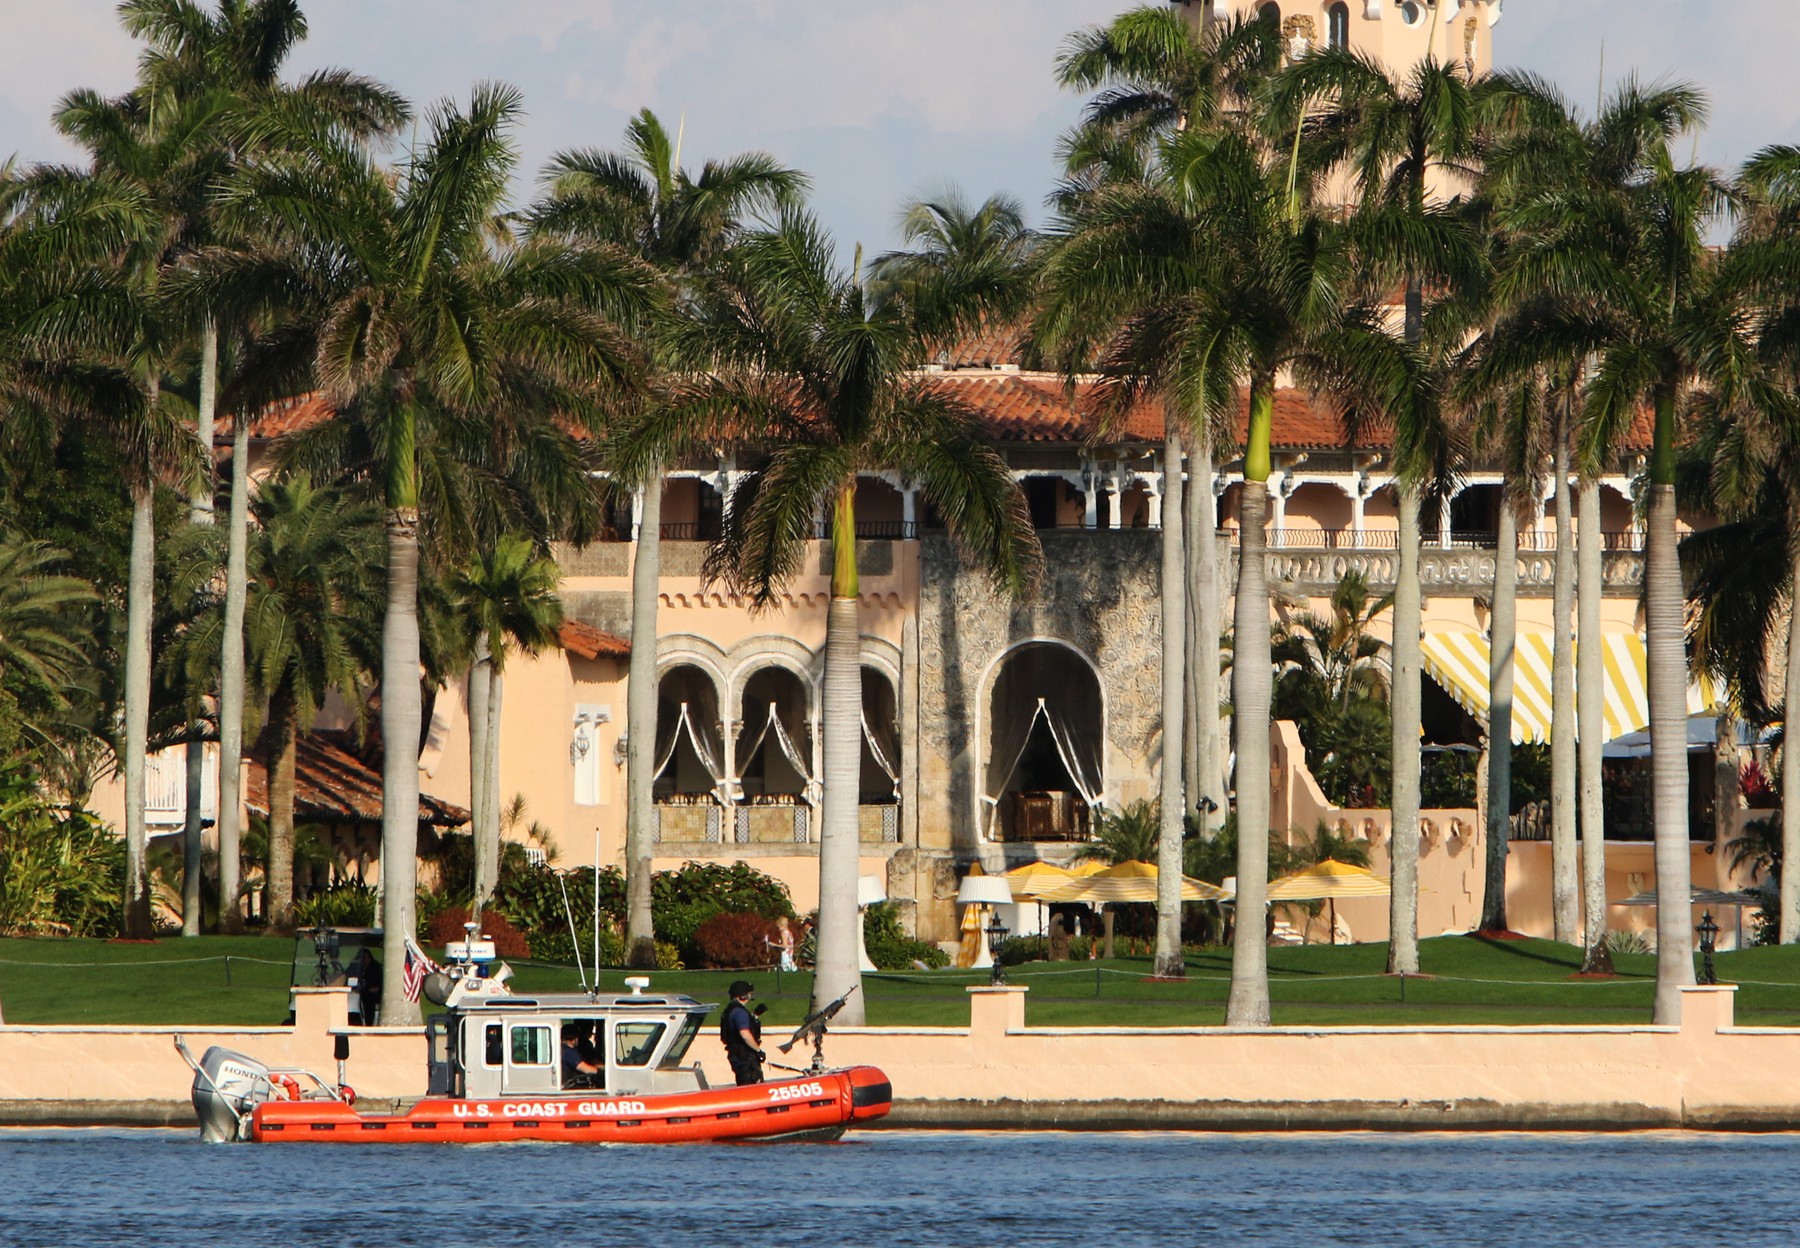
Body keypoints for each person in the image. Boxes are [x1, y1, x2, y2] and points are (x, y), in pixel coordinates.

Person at [719, 980, 764, 1086]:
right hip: (745, 1058)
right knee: (752, 1087)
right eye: (749, 993)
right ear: (743, 996)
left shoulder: (731, 1010)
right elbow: (745, 1034)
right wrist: (758, 1050)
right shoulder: (740, 1013)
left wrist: (755, 1016)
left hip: (737, 1056)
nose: (750, 996)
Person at [561, 1023, 603, 1089]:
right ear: (574, 1037)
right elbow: (586, 1069)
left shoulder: (567, 1050)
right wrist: (601, 1072)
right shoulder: (568, 1053)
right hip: (573, 1085)